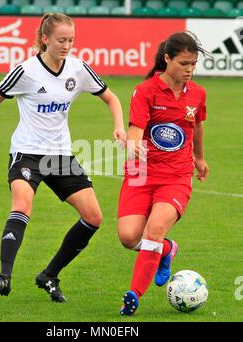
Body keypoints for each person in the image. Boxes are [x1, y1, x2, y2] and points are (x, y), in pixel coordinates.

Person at [0, 13, 126, 302]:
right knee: (22, 205)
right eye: (61, 40)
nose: (67, 45)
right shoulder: (26, 71)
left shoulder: (78, 69)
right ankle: (4, 276)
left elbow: (111, 97)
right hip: (27, 153)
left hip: (60, 155)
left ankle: (49, 275)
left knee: (94, 217)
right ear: (45, 39)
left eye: (71, 40)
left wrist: (119, 125)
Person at [117, 31, 209, 316]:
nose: (189, 70)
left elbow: (197, 125)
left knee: (153, 230)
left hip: (176, 177)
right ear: (167, 59)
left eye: (193, 64)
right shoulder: (145, 91)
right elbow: (135, 129)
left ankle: (133, 295)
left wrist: (200, 158)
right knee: (130, 237)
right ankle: (166, 250)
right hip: (141, 174)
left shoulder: (198, 94)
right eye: (184, 63)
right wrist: (133, 146)